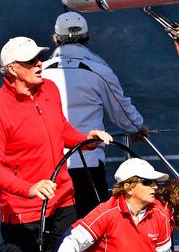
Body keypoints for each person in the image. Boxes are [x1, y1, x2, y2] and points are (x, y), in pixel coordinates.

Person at [0, 36, 112, 252]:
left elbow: (61, 128)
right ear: (13, 69)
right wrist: (28, 188)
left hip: (64, 200)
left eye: (39, 57)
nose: (39, 64)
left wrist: (85, 140)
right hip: (22, 213)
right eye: (30, 61)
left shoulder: (49, 89)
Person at [41, 11, 149, 219]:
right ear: (88, 38)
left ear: (55, 39)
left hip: (50, 166)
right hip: (87, 165)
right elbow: (122, 114)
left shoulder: (40, 72)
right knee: (93, 227)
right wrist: (137, 127)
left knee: (52, 230)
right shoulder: (99, 70)